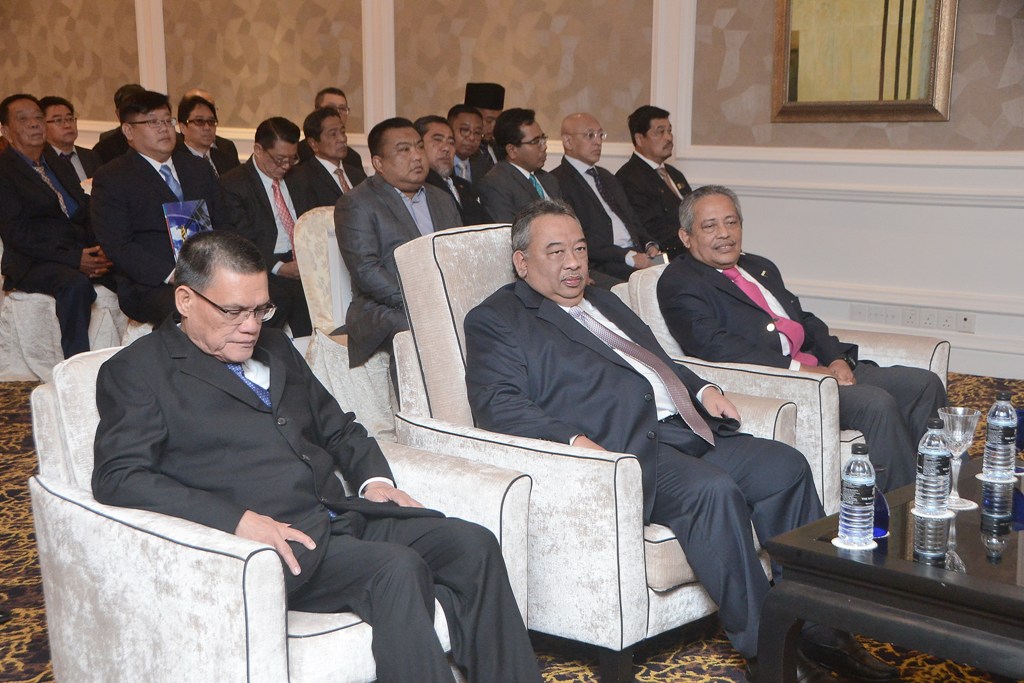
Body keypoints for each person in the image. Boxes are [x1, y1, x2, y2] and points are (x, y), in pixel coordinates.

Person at [463, 200, 899, 681]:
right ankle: (770, 656)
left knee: (785, 466)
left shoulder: (604, 300)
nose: (573, 263)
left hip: (683, 425)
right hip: (624, 450)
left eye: (580, 249)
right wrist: (574, 439)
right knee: (713, 492)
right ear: (522, 262)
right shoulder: (497, 319)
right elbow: (497, 404)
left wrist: (703, 389)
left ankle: (822, 631)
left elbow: (655, 360)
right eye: (556, 252)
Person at [91, 230, 541, 683]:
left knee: (473, 544)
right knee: (396, 569)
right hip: (276, 547)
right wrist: (236, 520)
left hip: (341, 515)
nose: (250, 326)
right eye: (233, 311)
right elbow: (119, 476)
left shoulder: (275, 347)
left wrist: (374, 481)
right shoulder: (137, 372)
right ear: (186, 300)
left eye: (260, 310)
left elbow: (337, 427)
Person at [657, 185, 947, 492]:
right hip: (783, 382)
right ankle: (900, 508)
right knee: (876, 403)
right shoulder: (680, 282)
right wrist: (802, 371)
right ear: (686, 237)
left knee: (924, 384)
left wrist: (837, 359)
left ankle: (938, 488)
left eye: (732, 222)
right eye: (710, 226)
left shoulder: (759, 266)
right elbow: (715, 346)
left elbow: (803, 319)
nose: (725, 234)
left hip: (820, 368)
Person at [335, 117, 461, 368]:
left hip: (444, 299)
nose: (416, 156)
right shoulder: (357, 202)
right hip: (384, 307)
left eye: (419, 147)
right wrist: (418, 301)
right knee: (420, 328)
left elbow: (458, 254)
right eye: (404, 150)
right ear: (378, 163)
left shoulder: (442, 199)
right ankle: (417, 396)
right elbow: (366, 269)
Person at [91, 89, 220, 325]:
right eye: (152, 122)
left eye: (167, 121)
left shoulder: (198, 168)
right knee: (193, 309)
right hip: (152, 281)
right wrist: (173, 274)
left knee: (260, 298)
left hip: (207, 269)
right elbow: (118, 245)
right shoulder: (112, 177)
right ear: (128, 131)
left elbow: (222, 221)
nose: (164, 128)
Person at [0, 93, 112, 358]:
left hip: (78, 251)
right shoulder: (4, 171)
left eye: (38, 118)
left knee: (130, 269)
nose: (34, 124)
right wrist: (74, 259)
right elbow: (18, 234)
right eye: (23, 119)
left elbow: (84, 210)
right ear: (5, 130)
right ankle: (76, 363)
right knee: (75, 285)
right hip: (34, 261)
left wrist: (101, 249)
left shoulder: (57, 163)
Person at [218, 117, 311, 337]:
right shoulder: (233, 184)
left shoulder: (299, 177)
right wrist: (279, 267)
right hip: (262, 261)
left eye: (292, 158)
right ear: (258, 150)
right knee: (288, 298)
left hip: (302, 257)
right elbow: (241, 240)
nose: (286, 166)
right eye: (279, 159)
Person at [552, 112, 661, 283]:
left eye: (600, 135)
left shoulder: (607, 177)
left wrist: (649, 244)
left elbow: (632, 220)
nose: (598, 141)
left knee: (676, 271)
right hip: (605, 262)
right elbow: (576, 237)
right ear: (568, 141)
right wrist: (627, 256)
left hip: (638, 254)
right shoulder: (557, 181)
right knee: (656, 283)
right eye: (590, 135)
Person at [615, 105, 693, 259]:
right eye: (660, 132)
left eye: (669, 130)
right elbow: (652, 230)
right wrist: (698, 237)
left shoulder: (674, 173)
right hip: (670, 256)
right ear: (639, 139)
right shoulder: (628, 178)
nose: (669, 138)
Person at [475, 108, 560, 223]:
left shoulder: (549, 180)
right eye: (536, 142)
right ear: (512, 150)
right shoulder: (495, 184)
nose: (544, 147)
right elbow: (508, 229)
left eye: (543, 139)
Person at [288, 107, 367, 216]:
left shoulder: (358, 175)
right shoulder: (302, 178)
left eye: (343, 132)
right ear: (313, 143)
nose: (342, 139)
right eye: (333, 134)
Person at [414, 115, 490, 225]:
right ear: (418, 146)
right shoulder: (419, 188)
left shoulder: (465, 187)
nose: (446, 148)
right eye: (438, 140)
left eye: (451, 142)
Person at [297, 87, 364, 172]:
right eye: (330, 108)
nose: (337, 113)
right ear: (316, 111)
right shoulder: (298, 153)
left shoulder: (353, 158)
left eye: (342, 109)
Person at [175, 94, 240, 176]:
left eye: (211, 121)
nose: (207, 127)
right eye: (199, 121)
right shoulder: (176, 162)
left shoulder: (225, 155)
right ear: (183, 127)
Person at [39, 96, 101, 181]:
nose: (68, 125)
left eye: (70, 119)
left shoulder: (91, 156)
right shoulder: (40, 160)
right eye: (58, 120)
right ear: (42, 125)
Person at [92, 83, 145, 163]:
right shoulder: (104, 149)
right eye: (130, 109)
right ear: (118, 114)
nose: (137, 114)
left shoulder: (157, 138)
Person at [446, 104, 490, 183]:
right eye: (465, 130)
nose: (472, 138)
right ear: (448, 130)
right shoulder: (438, 163)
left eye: (477, 132)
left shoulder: (483, 165)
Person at [463, 82, 504, 165]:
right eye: (489, 121)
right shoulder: (463, 151)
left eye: (497, 121)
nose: (494, 127)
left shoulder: (501, 148)